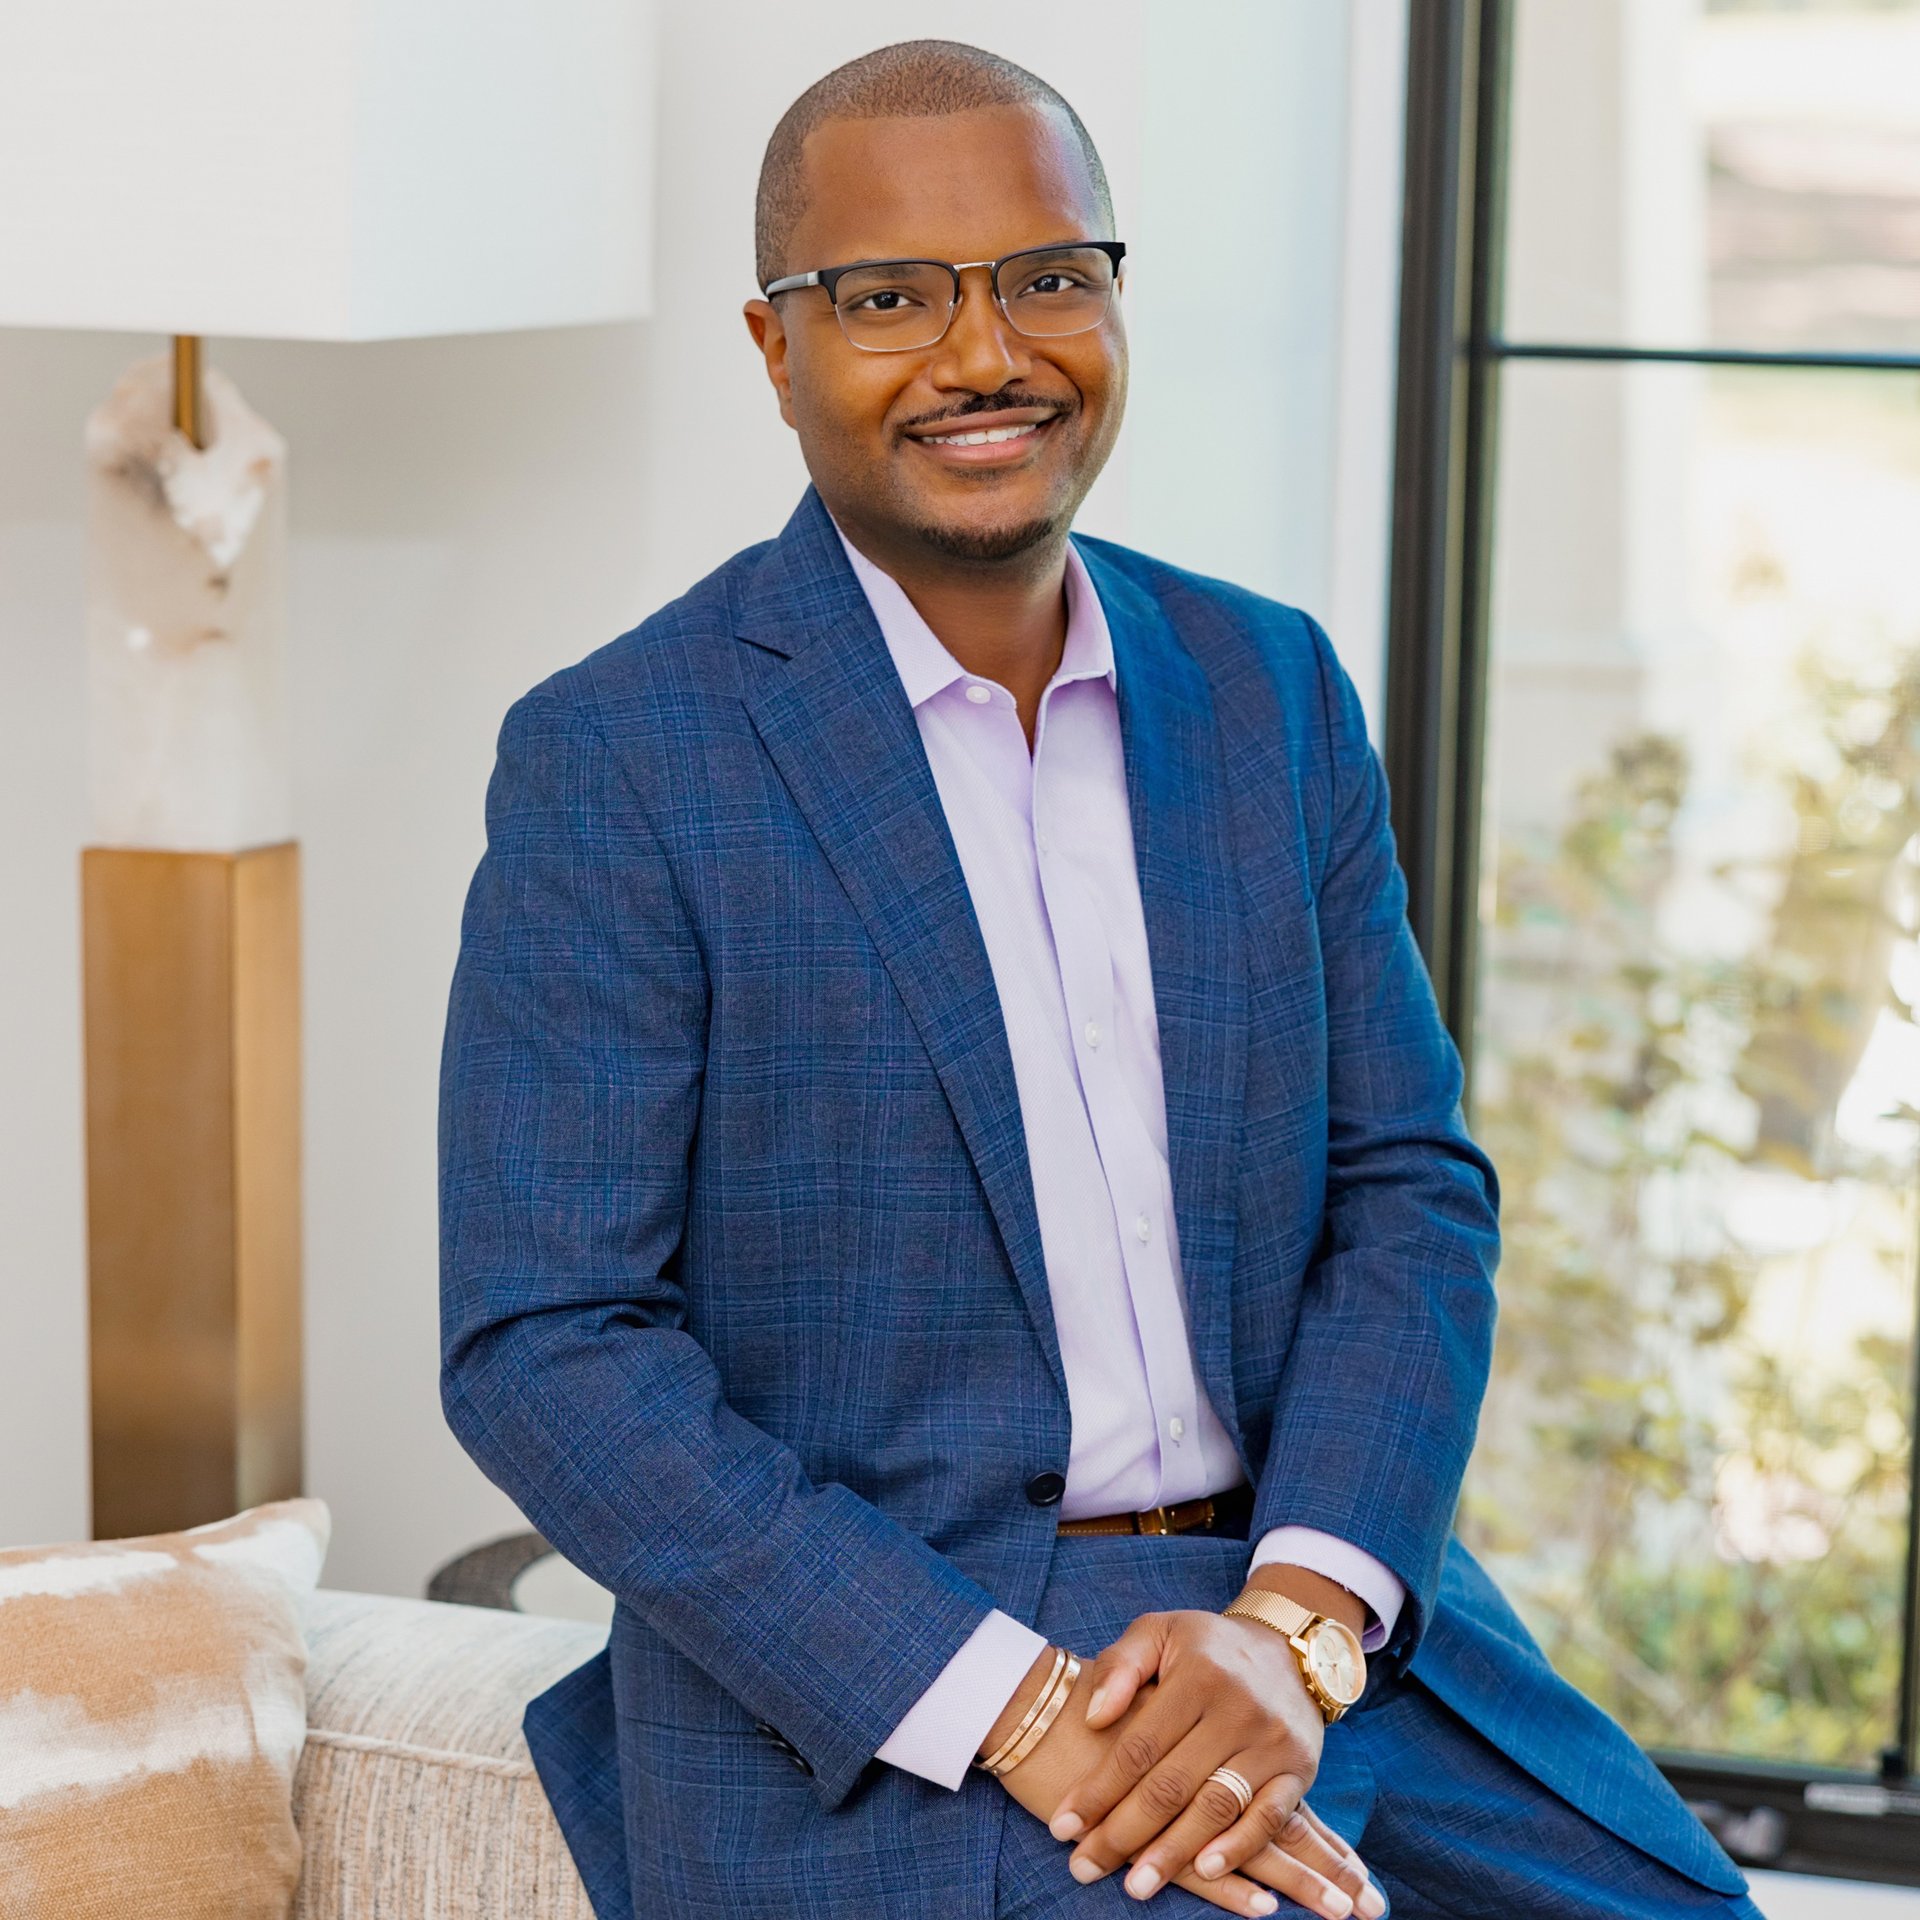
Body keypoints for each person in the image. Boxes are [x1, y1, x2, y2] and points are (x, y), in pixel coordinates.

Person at [438, 39, 1759, 1920]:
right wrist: (1019, 1704)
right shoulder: (625, 757)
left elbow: (1408, 1191)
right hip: (913, 1675)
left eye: (1049, 277)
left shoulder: (1268, 687)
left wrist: (1297, 1622)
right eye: (888, 298)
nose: (986, 353)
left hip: (1305, 1606)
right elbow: (548, 1347)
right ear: (774, 346)